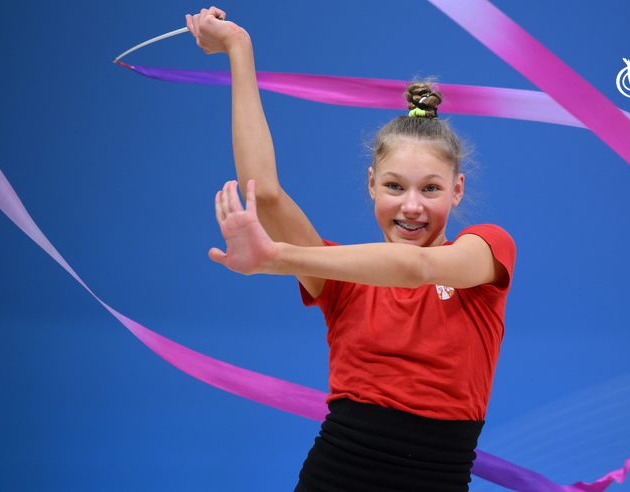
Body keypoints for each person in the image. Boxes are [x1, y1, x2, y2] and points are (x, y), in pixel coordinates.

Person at [186, 7, 515, 492]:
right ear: (371, 186)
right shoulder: (338, 274)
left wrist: (277, 258)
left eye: (430, 189)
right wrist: (239, 49)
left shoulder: (486, 251)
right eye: (394, 186)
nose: (411, 206)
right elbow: (267, 192)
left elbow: (419, 267)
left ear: (458, 190)